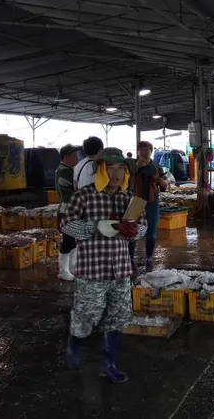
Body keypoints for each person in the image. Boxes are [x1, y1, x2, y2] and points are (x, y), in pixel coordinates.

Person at [62, 148, 146, 383]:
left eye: (120, 168)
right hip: (92, 270)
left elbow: (143, 226)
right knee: (86, 316)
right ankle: (74, 345)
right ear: (100, 170)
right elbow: (67, 225)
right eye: (110, 168)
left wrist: (135, 231)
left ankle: (109, 364)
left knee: (117, 317)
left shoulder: (129, 199)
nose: (116, 173)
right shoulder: (84, 196)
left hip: (120, 270)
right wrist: (95, 227)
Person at [129, 141, 169, 271]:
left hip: (152, 201)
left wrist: (157, 178)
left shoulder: (157, 167)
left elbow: (164, 185)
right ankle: (130, 259)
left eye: (147, 150)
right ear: (138, 152)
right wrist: (136, 169)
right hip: (135, 200)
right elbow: (125, 183)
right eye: (142, 150)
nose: (144, 152)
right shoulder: (130, 166)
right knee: (131, 229)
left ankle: (148, 257)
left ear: (151, 151)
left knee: (151, 231)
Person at [55, 144, 81, 281]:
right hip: (67, 211)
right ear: (66, 157)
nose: (77, 158)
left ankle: (71, 268)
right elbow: (71, 194)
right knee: (68, 241)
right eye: (74, 156)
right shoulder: (64, 171)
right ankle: (63, 271)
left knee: (73, 241)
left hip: (70, 210)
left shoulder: (69, 169)